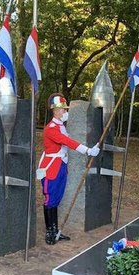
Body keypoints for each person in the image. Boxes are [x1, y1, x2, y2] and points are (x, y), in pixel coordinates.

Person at [38, 93, 100, 245]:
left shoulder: (60, 126)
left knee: (57, 199)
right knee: (50, 199)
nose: (66, 112)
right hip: (51, 166)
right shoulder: (51, 128)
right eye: (63, 110)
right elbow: (67, 142)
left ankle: (55, 229)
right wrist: (87, 150)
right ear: (56, 111)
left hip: (61, 166)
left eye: (66, 110)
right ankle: (50, 232)